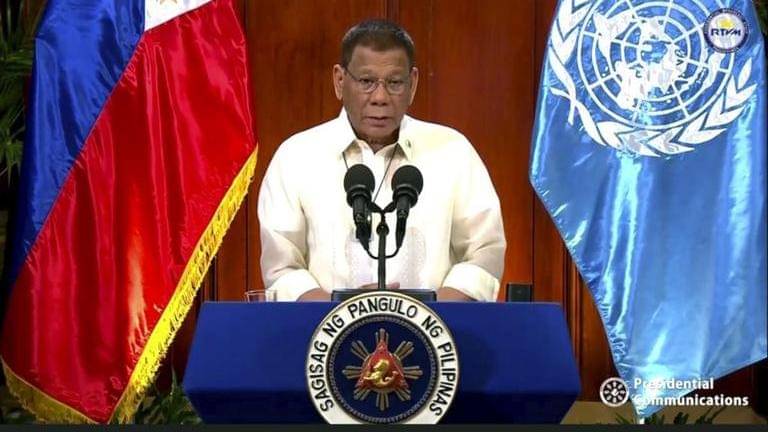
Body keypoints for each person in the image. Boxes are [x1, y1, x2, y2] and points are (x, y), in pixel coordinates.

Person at [258, 19, 505, 302]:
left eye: (394, 83)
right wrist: (346, 312)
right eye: (366, 82)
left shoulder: (453, 152)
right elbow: (282, 268)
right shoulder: (297, 157)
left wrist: (423, 313)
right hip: (323, 327)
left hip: (438, 326)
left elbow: (485, 252)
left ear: (413, 84)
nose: (380, 97)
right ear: (340, 81)